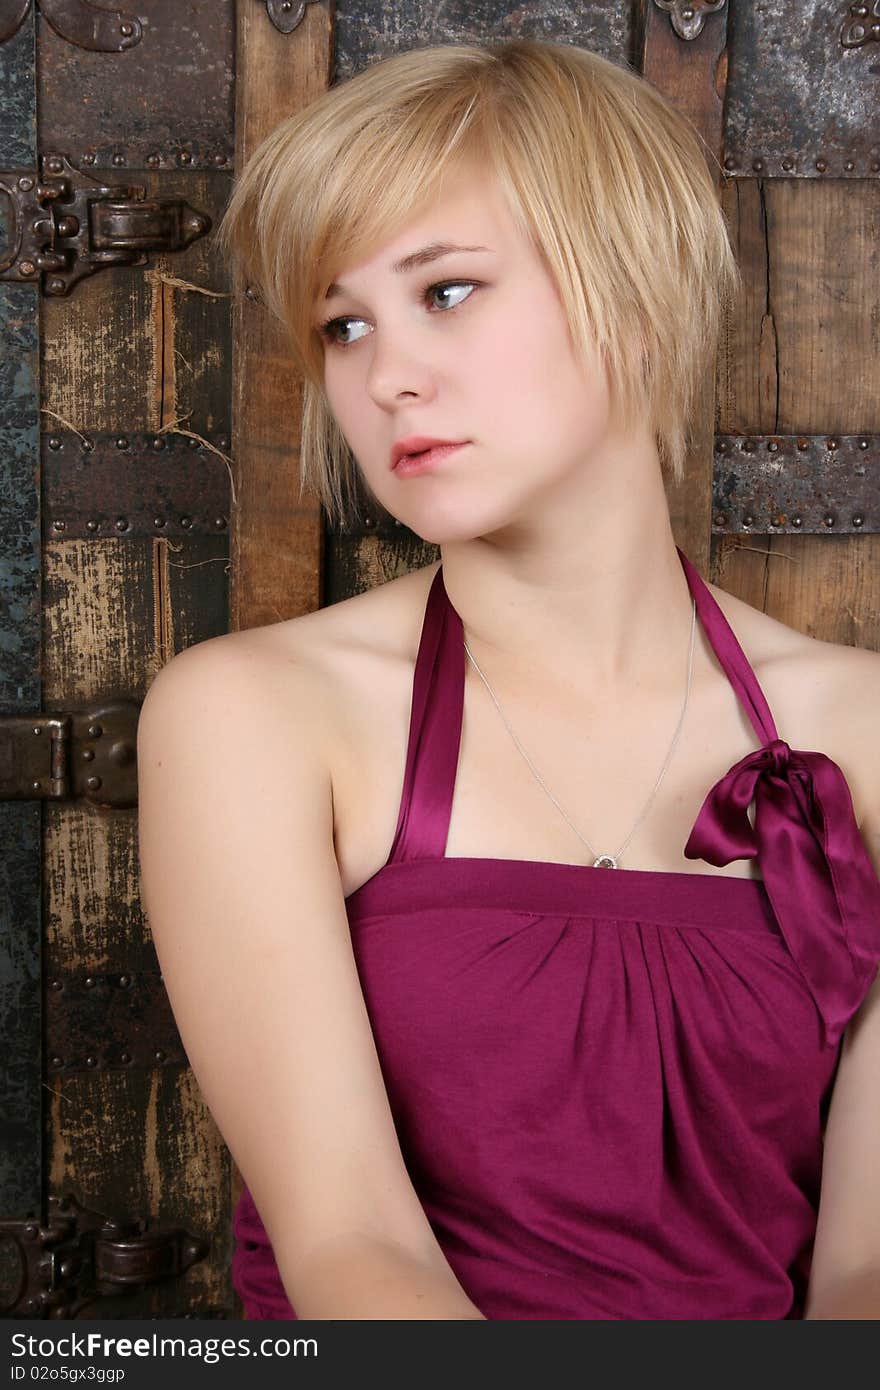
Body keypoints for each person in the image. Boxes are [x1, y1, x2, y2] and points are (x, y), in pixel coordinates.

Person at [136, 38, 880, 1320]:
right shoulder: (251, 716)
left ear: (633, 300)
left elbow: (865, 1272)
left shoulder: (859, 724)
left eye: (449, 292)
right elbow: (354, 1252)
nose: (387, 376)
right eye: (343, 323)